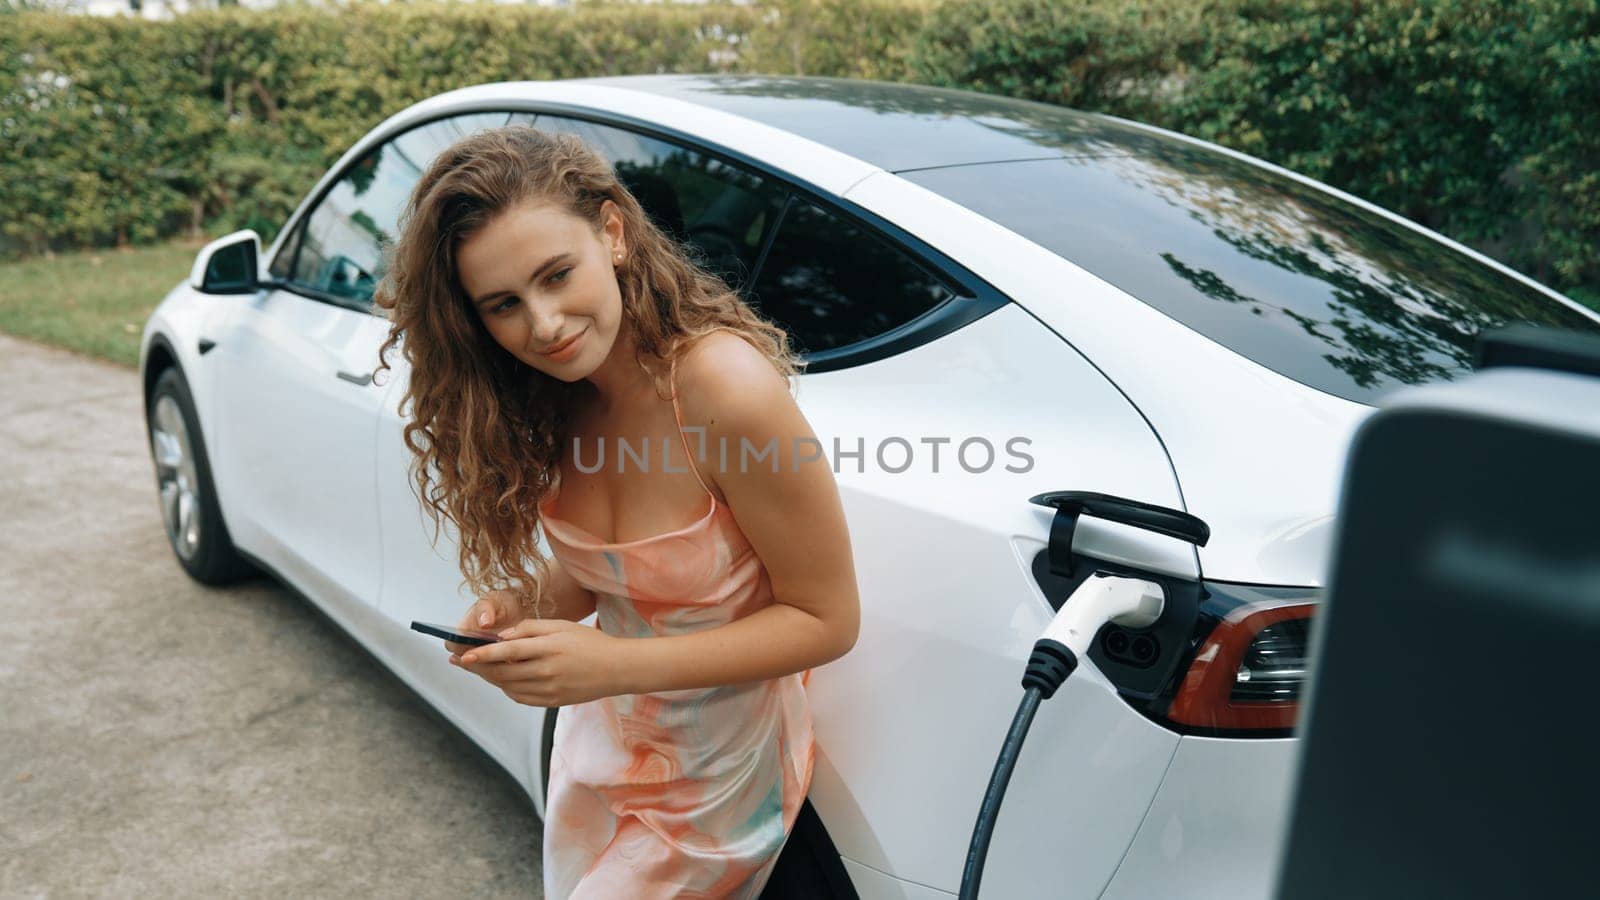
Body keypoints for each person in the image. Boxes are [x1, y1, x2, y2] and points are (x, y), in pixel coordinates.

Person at [370, 124, 861, 899]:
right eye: (503, 304)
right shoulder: (564, 395)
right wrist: (518, 611)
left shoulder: (722, 390)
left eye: (557, 274)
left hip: (715, 791)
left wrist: (610, 665)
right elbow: (607, 575)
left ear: (613, 232)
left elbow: (826, 619)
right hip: (599, 760)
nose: (543, 325)